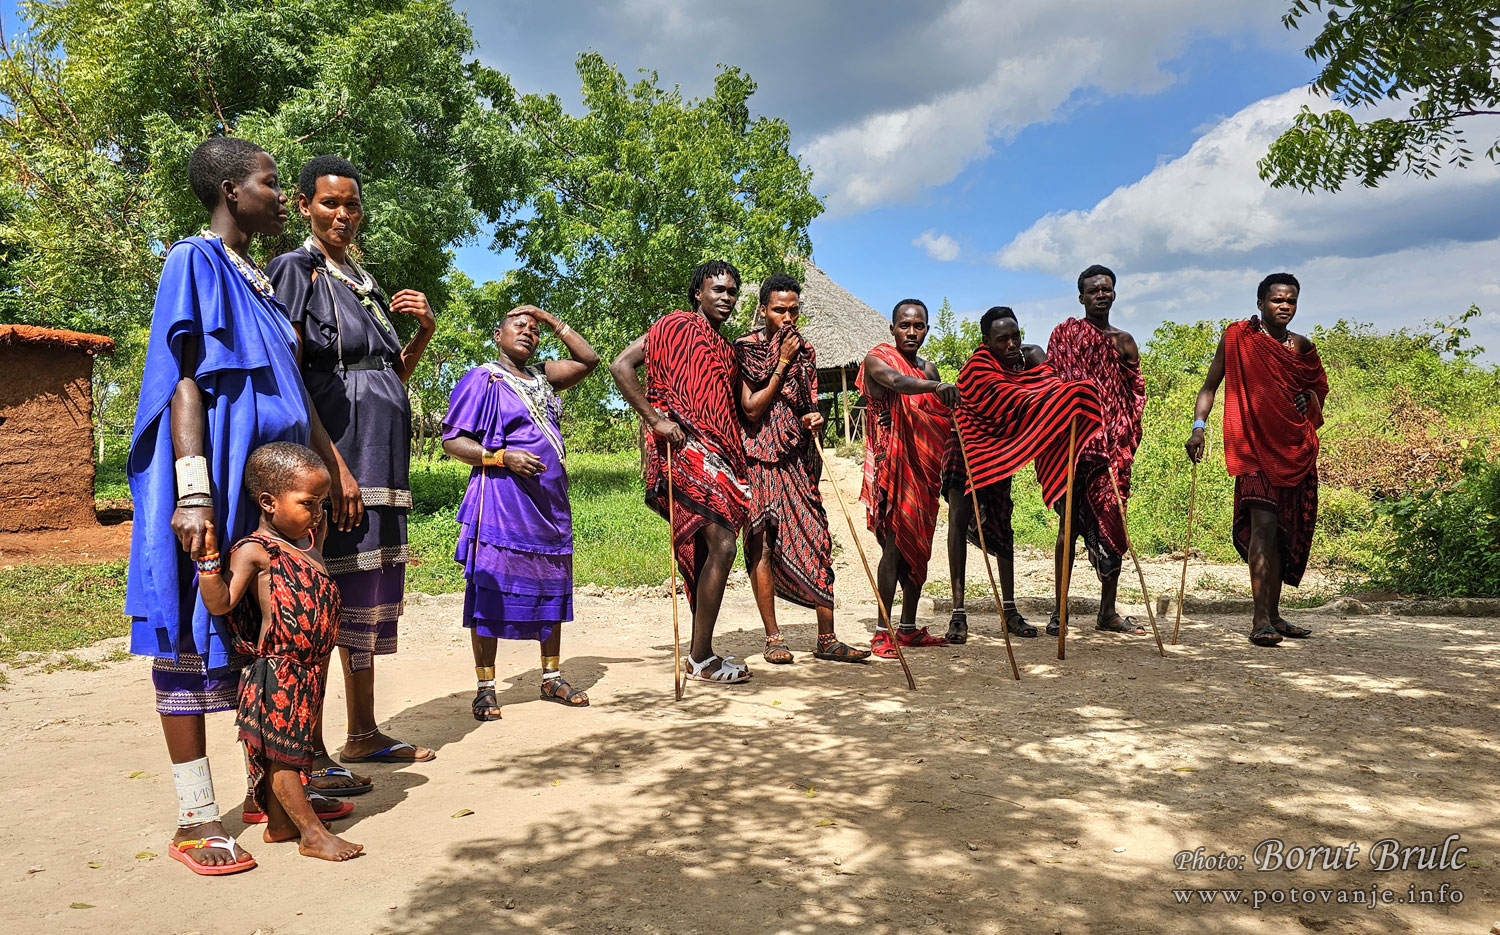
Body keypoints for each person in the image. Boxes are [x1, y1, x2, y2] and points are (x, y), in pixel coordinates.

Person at [125, 137, 308, 876]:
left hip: (263, 487)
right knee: (193, 631)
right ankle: (196, 818)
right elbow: (183, 381)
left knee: (262, 632)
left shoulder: (260, 280)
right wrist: (194, 491)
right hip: (215, 478)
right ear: (231, 190)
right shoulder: (193, 261)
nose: (281, 195)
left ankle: (268, 795)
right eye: (269, 182)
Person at [267, 154, 436, 788]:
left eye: (352, 204)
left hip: (381, 456)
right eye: (329, 203)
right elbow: (291, 371)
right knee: (325, 596)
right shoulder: (297, 270)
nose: (343, 214)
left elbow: (388, 377)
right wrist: (333, 467)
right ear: (305, 206)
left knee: (363, 594)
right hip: (341, 452)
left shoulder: (361, 278)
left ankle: (363, 732)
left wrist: (423, 331)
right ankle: (305, 751)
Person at [195, 442, 363, 862]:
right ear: (268, 503)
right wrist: (208, 561)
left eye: (322, 503)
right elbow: (221, 603)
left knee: (291, 752)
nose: (318, 513)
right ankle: (311, 834)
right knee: (282, 757)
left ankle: (281, 824)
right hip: (278, 671)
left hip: (309, 671)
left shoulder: (307, 544)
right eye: (308, 503)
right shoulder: (255, 551)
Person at [442, 305, 600, 718]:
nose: (528, 332)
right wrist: (501, 457)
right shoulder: (484, 378)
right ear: (498, 335)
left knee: (551, 584)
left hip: (549, 503)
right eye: (519, 325)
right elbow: (453, 440)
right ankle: (486, 687)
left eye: (534, 329)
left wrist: (551, 318)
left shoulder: (544, 377)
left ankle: (551, 677)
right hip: (503, 499)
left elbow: (589, 360)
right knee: (490, 586)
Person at [611, 260, 752, 684]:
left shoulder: (727, 350)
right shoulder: (673, 326)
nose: (726, 297)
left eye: (732, 291)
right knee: (723, 545)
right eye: (717, 289)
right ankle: (700, 658)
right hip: (681, 448)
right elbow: (621, 366)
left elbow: (734, 408)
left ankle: (700, 652)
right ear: (698, 293)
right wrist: (655, 419)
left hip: (719, 454)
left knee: (710, 550)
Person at [944, 307, 1102, 644]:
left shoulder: (1031, 357)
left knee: (1003, 525)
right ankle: (958, 613)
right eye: (1002, 339)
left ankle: (1010, 611)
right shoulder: (977, 367)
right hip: (966, 445)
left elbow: (1051, 392)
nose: (1011, 344)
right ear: (986, 342)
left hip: (999, 453)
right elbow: (1013, 398)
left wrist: (1076, 398)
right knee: (958, 520)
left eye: (1015, 335)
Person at [1186, 273, 1328, 646]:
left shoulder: (1302, 346)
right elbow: (1209, 386)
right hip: (1252, 449)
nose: (1285, 306)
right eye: (1277, 300)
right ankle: (1260, 619)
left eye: (1291, 300)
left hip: (1295, 449)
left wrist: (1309, 399)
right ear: (1260, 303)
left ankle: (1275, 615)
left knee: (1282, 531)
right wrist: (1199, 428)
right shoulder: (1237, 337)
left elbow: (1318, 388)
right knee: (1262, 525)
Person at [735, 273, 870, 664]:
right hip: (758, 459)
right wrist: (781, 361)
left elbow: (804, 405)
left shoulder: (806, 352)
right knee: (762, 542)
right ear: (763, 310)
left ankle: (827, 638)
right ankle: (773, 638)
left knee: (817, 539)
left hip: (795, 459)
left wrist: (814, 418)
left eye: (793, 310)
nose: (787, 317)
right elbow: (751, 408)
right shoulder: (746, 349)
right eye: (779, 310)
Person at [1045, 265, 1147, 637]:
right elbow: (1052, 382)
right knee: (1067, 528)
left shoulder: (1124, 341)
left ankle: (1107, 612)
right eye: (1093, 291)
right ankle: (1059, 612)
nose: (1100, 295)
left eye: (1106, 289)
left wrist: (1119, 431)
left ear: (1114, 293)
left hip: (1112, 452)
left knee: (1112, 523)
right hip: (1073, 447)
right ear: (1081, 297)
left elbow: (1135, 394)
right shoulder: (1066, 335)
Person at [857, 299, 960, 659]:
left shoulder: (928, 368)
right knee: (895, 545)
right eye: (905, 325)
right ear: (892, 328)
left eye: (918, 326)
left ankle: (908, 626)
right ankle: (882, 631)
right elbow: (898, 383)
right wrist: (935, 387)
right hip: (892, 465)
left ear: (927, 329)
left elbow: (936, 415)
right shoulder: (877, 359)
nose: (912, 332)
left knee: (920, 544)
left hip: (925, 466)